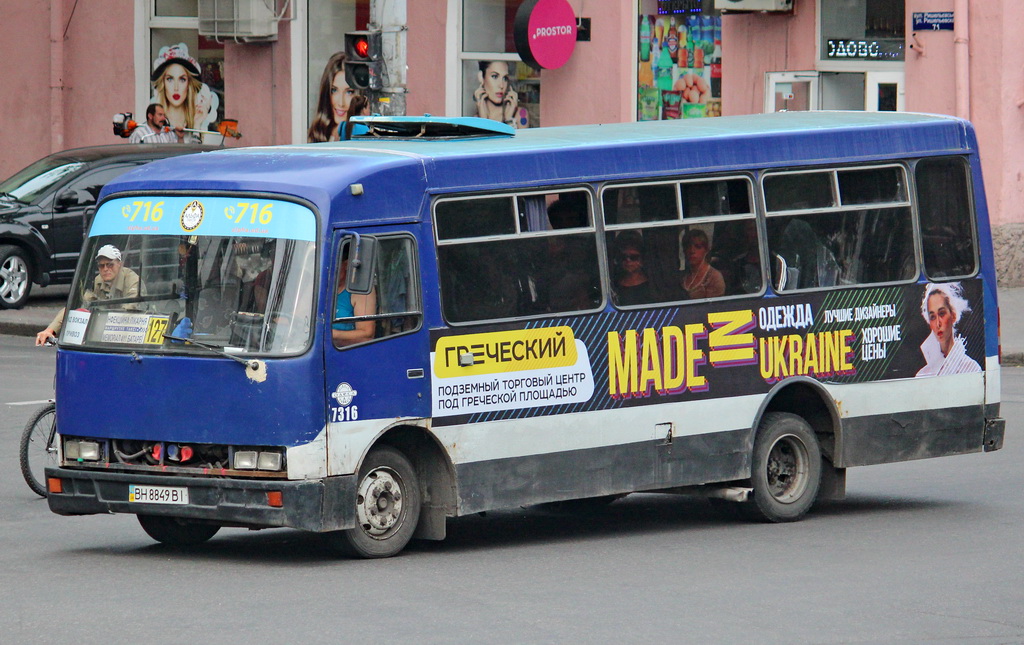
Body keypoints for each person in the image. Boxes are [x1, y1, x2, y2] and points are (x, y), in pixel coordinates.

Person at [35, 245, 142, 345]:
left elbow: (130, 308)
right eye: (101, 265)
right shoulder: (99, 280)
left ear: (120, 264)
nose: (105, 269)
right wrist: (50, 330)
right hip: (107, 335)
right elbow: (78, 304)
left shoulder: (132, 280)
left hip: (134, 334)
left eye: (110, 264)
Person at [915, 282, 982, 376]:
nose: (938, 323)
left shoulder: (972, 368)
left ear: (953, 316)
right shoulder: (923, 374)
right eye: (933, 317)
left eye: (942, 313)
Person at [151, 43, 204, 143]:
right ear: (163, 83)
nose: (176, 88)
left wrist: (197, 125)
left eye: (182, 79)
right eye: (170, 79)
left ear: (189, 84)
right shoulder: (154, 127)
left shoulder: (198, 121)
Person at [332, 251, 377, 347]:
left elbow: (367, 333)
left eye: (333, 265)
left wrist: (333, 334)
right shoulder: (316, 287)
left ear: (347, 264)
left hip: (344, 350)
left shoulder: (360, 290)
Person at [308, 52, 355, 143]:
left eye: (349, 92)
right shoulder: (318, 133)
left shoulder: (365, 137)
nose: (341, 103)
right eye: (334, 90)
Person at [611, 232, 659, 306]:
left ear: (642, 258)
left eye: (633, 257)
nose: (628, 261)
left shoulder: (653, 286)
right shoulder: (613, 285)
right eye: (624, 257)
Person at [680, 228, 725, 299]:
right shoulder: (681, 276)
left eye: (698, 247)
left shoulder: (714, 278)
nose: (692, 251)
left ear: (706, 250)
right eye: (688, 246)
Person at [474, 61, 519, 127]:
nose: (501, 85)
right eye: (495, 76)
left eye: (505, 78)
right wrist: (484, 119)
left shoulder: (519, 114)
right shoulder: (476, 119)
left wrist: (509, 120)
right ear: (481, 77)